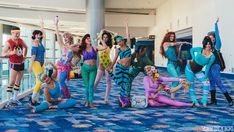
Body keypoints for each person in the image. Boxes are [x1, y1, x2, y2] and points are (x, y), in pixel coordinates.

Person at [208, 18, 233, 106]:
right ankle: (213, 100)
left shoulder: (217, 46)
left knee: (218, 82)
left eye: (213, 38)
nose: (211, 39)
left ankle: (229, 99)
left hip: (216, 66)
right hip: (209, 67)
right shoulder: (208, 47)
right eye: (210, 38)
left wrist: (215, 24)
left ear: (215, 38)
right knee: (211, 82)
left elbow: (218, 35)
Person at [185, 36, 215, 107]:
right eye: (206, 44)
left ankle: (204, 101)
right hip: (189, 69)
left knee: (206, 83)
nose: (208, 45)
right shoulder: (200, 49)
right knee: (191, 85)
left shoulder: (212, 56)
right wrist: (192, 57)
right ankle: (195, 101)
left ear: (211, 44)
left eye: (209, 44)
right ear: (204, 44)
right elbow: (191, 50)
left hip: (198, 71)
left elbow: (207, 67)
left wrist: (205, 76)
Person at [54, 16, 80, 98]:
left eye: (66, 37)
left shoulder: (72, 47)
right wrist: (56, 25)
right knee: (59, 81)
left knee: (61, 81)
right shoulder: (62, 46)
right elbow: (58, 37)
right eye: (64, 37)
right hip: (60, 65)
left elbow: (79, 55)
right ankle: (62, 95)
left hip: (66, 67)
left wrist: (73, 64)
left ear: (70, 38)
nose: (65, 39)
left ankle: (67, 95)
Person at [108, 21, 132, 107]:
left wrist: (126, 25)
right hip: (119, 67)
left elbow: (128, 35)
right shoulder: (118, 50)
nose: (120, 43)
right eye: (118, 42)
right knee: (120, 83)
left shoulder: (128, 46)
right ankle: (123, 98)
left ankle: (122, 98)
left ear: (123, 40)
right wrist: (111, 67)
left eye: (120, 41)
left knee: (125, 83)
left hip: (126, 68)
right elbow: (115, 59)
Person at [2, 26, 28, 107]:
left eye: (19, 33)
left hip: (21, 63)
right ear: (12, 33)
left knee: (18, 82)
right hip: (14, 64)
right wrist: (12, 53)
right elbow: (3, 53)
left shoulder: (20, 40)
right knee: (11, 82)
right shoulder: (8, 42)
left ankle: (15, 98)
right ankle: (8, 100)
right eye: (16, 33)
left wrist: (24, 56)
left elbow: (26, 47)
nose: (17, 35)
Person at [160, 32, 189, 99]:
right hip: (170, 64)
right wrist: (183, 42)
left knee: (175, 81)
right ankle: (168, 90)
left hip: (177, 64)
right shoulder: (165, 44)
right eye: (170, 36)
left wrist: (179, 59)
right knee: (176, 78)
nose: (172, 38)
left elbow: (176, 55)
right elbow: (174, 43)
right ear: (167, 37)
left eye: (173, 36)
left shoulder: (174, 47)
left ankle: (172, 97)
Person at [94, 29, 117, 104]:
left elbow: (116, 34)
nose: (105, 39)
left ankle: (106, 98)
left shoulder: (110, 45)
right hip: (101, 65)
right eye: (104, 37)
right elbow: (99, 36)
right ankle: (90, 96)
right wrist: (102, 31)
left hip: (108, 64)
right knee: (96, 82)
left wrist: (107, 30)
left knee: (108, 82)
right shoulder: (99, 44)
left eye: (106, 37)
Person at [29, 17, 46, 105]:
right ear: (35, 35)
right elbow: (33, 55)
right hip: (36, 63)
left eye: (40, 34)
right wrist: (30, 66)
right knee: (40, 80)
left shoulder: (40, 41)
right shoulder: (35, 43)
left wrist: (41, 23)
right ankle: (33, 98)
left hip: (41, 63)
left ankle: (36, 99)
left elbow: (42, 31)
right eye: (38, 34)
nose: (40, 35)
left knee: (39, 81)